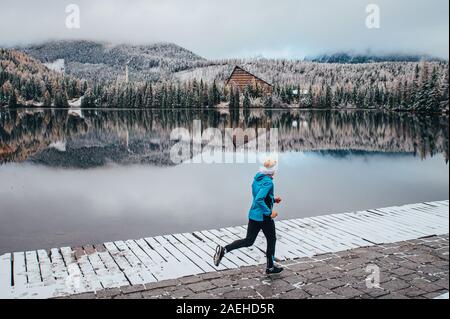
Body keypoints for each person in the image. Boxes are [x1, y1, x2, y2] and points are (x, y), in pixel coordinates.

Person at [214, 159, 283, 274]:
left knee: (249, 241)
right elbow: (259, 199)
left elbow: (259, 195)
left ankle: (224, 250)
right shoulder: (269, 182)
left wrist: (273, 199)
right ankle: (270, 267)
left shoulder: (257, 178)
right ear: (272, 171)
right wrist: (269, 213)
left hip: (253, 215)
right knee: (271, 240)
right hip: (264, 217)